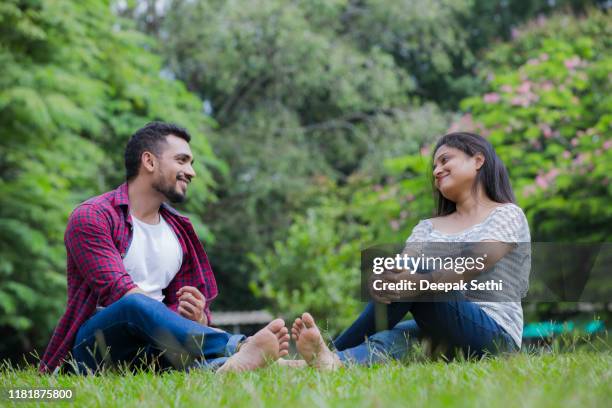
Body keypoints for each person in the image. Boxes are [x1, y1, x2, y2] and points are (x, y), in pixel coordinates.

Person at [39, 122, 289, 374]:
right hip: (96, 348)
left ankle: (265, 366)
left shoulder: (178, 230)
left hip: (154, 347)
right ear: (149, 161)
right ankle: (238, 346)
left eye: (191, 163)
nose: (191, 172)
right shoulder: (93, 217)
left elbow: (174, 312)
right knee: (133, 306)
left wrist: (198, 319)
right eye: (181, 161)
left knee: (187, 359)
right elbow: (118, 293)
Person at [290, 132, 531, 369]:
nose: (436, 171)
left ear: (478, 160)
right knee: (389, 340)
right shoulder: (426, 228)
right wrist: (385, 283)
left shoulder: (506, 214)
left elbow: (476, 261)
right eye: (435, 166)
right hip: (442, 328)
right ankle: (323, 362)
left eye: (445, 160)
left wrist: (418, 282)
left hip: (495, 336)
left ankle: (328, 350)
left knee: (418, 274)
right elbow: (403, 268)